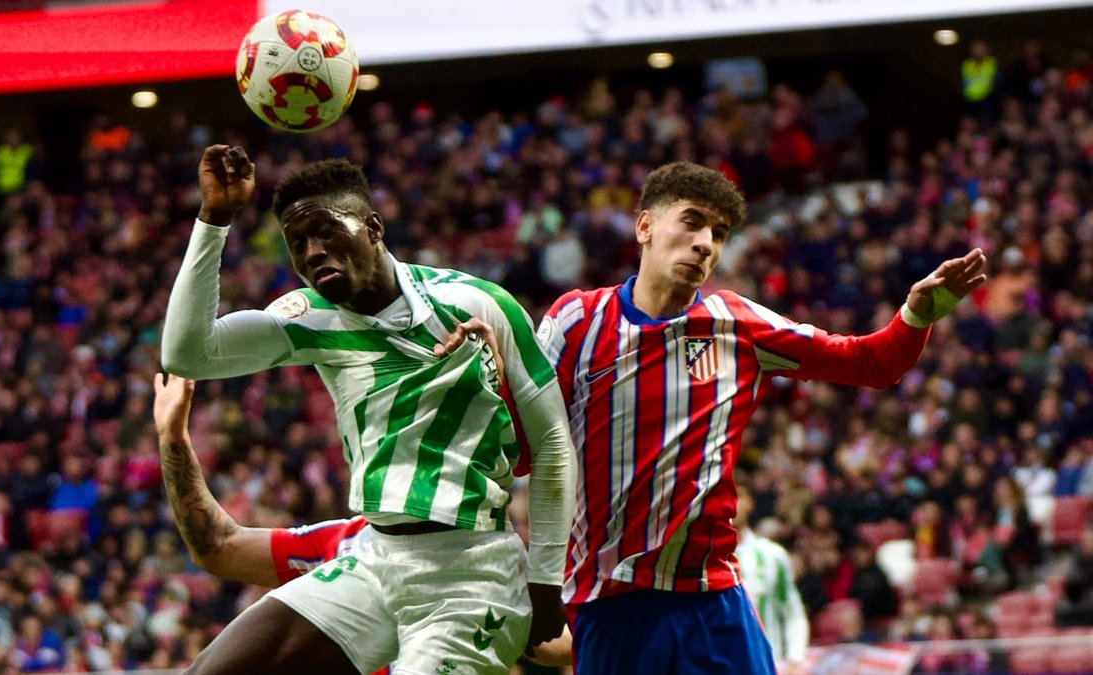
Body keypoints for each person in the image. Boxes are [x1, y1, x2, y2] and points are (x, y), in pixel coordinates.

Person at [531, 161, 986, 674]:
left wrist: (916, 315)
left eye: (719, 233)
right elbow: (523, 445)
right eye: (692, 222)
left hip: (711, 601)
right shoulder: (578, 321)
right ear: (645, 227)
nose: (705, 244)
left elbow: (871, 363)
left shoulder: (736, 324)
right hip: (609, 605)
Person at [161, 146, 575, 674]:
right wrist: (214, 220)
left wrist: (545, 579)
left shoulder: (477, 302)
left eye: (326, 232)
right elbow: (186, 354)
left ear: (373, 228)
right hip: (375, 558)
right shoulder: (311, 319)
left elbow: (552, 442)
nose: (313, 252)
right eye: (297, 243)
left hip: (474, 575)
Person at [152, 373, 575, 672]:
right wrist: (173, 439)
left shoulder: (492, 565)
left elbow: (555, 645)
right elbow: (220, 547)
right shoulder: (345, 543)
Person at [735, 482, 809, 675]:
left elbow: (792, 611)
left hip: (767, 664)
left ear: (750, 503)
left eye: (737, 495)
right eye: (722, 495)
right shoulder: (701, 558)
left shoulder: (772, 555)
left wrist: (795, 658)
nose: (730, 502)